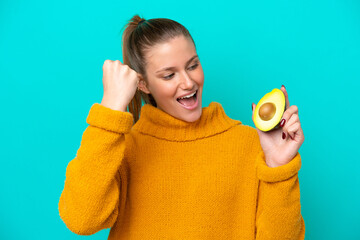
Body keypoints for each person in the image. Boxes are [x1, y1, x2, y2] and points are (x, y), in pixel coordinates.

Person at [58, 14, 305, 239]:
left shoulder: (250, 144)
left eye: (192, 65)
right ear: (142, 84)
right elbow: (82, 220)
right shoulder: (120, 151)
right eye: (169, 75)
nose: (188, 82)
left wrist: (278, 168)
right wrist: (110, 110)